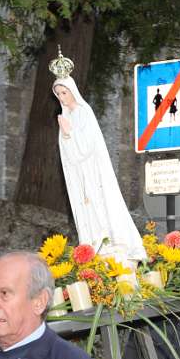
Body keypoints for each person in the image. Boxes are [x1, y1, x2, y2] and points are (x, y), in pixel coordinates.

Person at [51, 73, 147, 264]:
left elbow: (87, 146)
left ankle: (111, 242)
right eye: (58, 94)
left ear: (73, 91)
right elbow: (68, 152)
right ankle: (95, 245)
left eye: (64, 92)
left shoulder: (83, 112)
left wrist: (69, 132)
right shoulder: (66, 116)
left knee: (100, 205)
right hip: (79, 173)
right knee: (87, 210)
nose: (62, 97)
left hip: (93, 171)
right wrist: (66, 135)